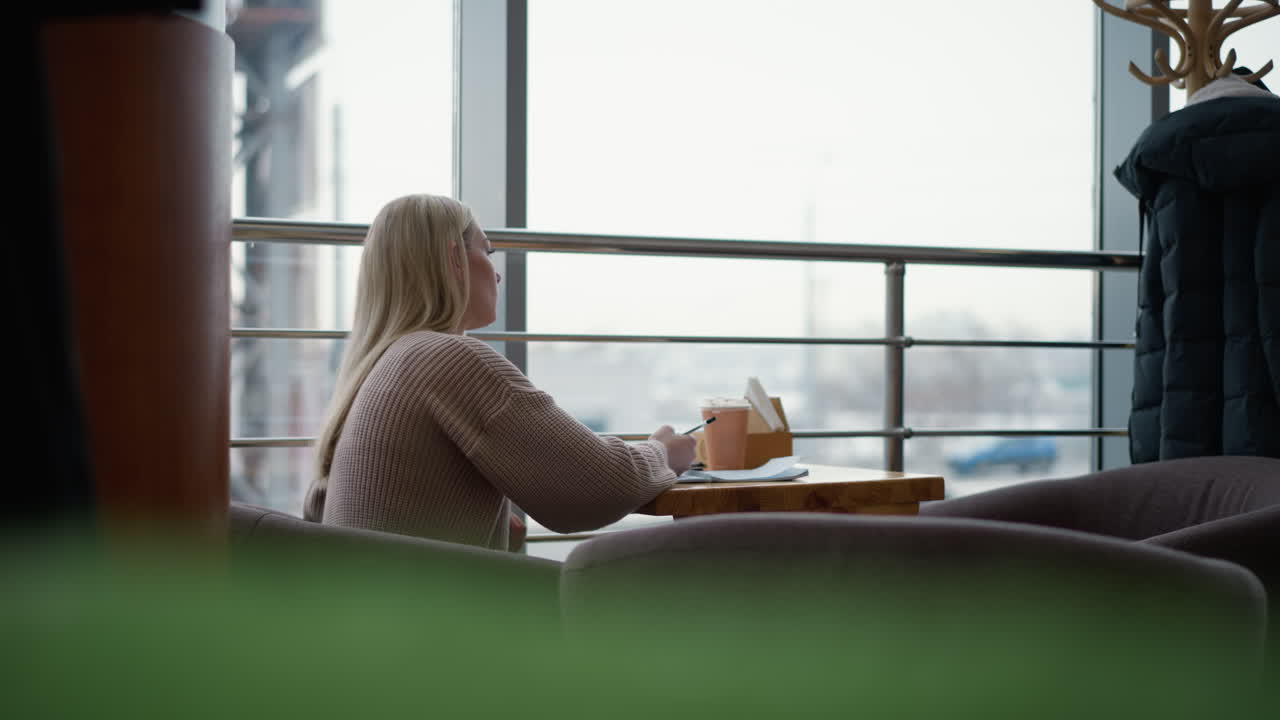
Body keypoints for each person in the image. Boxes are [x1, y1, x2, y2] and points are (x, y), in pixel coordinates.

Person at [303, 194, 696, 551]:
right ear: (454, 257)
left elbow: (322, 508)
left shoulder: (378, 365)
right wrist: (663, 453)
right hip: (435, 624)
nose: (497, 273)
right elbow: (596, 490)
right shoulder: (444, 358)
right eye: (487, 253)